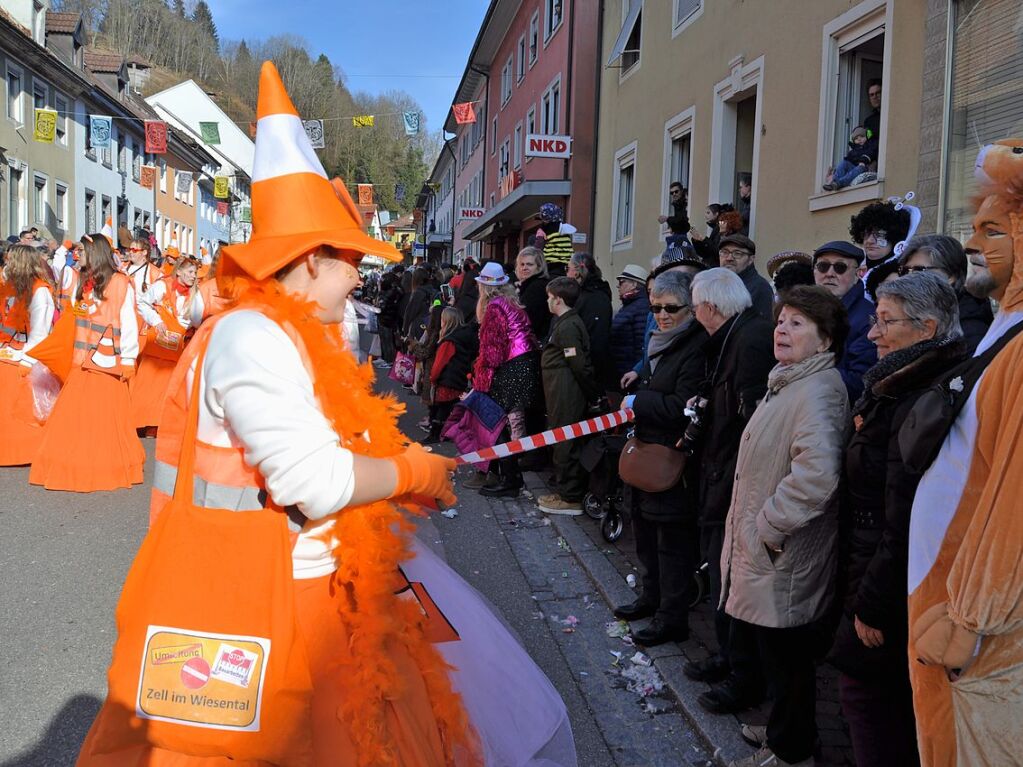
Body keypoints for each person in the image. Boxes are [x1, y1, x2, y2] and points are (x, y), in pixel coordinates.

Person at [77, 61, 576, 767]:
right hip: (261, 605)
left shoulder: (282, 333)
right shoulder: (253, 335)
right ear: (309, 260)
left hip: (294, 590)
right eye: (348, 260)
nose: (357, 276)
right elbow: (311, 480)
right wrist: (413, 469)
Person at [907, 140, 1023, 767]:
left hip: (975, 625)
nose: (974, 244)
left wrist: (974, 614)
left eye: (993, 230)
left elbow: (1017, 497)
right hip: (942, 587)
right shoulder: (1004, 319)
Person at [829, 273, 967, 767]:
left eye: (885, 321)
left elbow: (905, 513)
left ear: (927, 327)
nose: (872, 333)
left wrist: (872, 602)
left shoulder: (920, 394)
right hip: (871, 561)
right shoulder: (899, 381)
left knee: (870, 703)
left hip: (886, 576)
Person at [720, 285, 849, 767]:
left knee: (789, 658)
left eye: (798, 324)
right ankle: (782, 732)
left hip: (785, 554)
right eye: (781, 321)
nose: (782, 330)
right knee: (776, 654)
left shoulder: (818, 391)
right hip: (770, 551)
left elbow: (817, 476)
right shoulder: (791, 381)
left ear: (825, 340)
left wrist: (767, 528)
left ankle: (793, 751)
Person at [682, 268, 775, 707]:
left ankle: (744, 675)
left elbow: (749, 419)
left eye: (694, 306)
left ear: (710, 308)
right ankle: (728, 657)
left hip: (735, 477)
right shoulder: (734, 336)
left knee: (731, 577)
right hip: (721, 470)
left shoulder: (750, 339)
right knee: (721, 572)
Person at [613, 270, 707, 647]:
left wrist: (640, 401)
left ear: (691, 309)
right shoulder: (660, 340)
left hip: (673, 460)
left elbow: (681, 406)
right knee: (645, 535)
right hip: (648, 452)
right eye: (657, 307)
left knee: (671, 546)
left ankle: (672, 618)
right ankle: (649, 598)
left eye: (672, 308)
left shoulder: (695, 346)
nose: (663, 314)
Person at [29, 234, 144, 492]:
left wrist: (128, 358)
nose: (78, 255)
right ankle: (73, 464)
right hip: (81, 363)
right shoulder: (85, 283)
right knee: (77, 420)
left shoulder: (120, 282)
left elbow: (128, 323)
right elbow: (76, 316)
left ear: (96, 253)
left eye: (83, 250)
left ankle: (103, 465)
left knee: (103, 421)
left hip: (107, 363)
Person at [469, 262, 541, 498]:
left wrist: (482, 381)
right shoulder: (512, 303)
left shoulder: (494, 308)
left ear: (484, 287)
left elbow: (492, 351)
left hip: (510, 368)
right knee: (508, 423)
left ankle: (510, 479)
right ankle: (511, 476)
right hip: (524, 364)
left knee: (499, 424)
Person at [535, 277, 602, 515]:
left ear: (558, 300)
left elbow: (578, 364)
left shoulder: (568, 326)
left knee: (565, 441)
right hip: (558, 390)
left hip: (566, 391)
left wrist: (592, 394)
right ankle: (564, 490)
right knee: (560, 439)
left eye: (549, 297)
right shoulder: (563, 322)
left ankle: (570, 497)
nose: (547, 301)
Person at [0, 244, 58, 465]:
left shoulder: (40, 292)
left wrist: (26, 360)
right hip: (10, 351)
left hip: (27, 356)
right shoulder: (14, 287)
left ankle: (25, 451)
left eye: (10, 261)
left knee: (25, 408)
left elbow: (40, 333)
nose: (7, 265)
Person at [130, 257, 203, 432]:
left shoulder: (195, 294)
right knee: (146, 386)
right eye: (190, 272)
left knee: (166, 389)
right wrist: (156, 320)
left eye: (195, 273)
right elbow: (142, 302)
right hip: (156, 346)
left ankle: (156, 426)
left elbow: (196, 320)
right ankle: (137, 422)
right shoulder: (162, 286)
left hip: (175, 349)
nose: (193, 277)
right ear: (179, 272)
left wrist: (187, 326)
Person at [898, 234, 993, 352]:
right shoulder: (910, 315)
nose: (909, 278)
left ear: (951, 276)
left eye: (919, 271)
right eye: (905, 271)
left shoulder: (970, 329)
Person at [812, 240, 876, 402]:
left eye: (840, 267)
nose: (830, 273)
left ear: (859, 274)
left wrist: (805, 373)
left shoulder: (868, 318)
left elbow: (860, 381)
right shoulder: (804, 312)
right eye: (823, 266)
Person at [425, 306, 478, 443]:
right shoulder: (466, 336)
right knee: (453, 409)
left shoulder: (449, 341)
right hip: (460, 378)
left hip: (447, 380)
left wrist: (433, 378)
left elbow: (439, 364)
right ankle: (450, 433)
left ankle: (435, 434)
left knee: (440, 409)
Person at [568, 252, 615, 392]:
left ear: (576, 272)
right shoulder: (588, 293)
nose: (567, 273)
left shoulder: (592, 297)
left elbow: (593, 338)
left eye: (568, 268)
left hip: (590, 368)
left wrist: (571, 358)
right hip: (586, 365)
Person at [717, 234, 773, 320]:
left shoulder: (760, 288)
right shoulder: (715, 283)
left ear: (751, 259)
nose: (729, 258)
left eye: (737, 254)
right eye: (724, 252)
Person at [610, 263, 650, 379]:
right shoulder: (630, 305)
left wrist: (636, 370)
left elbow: (641, 344)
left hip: (630, 372)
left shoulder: (641, 306)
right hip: (624, 370)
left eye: (622, 282)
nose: (618, 286)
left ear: (634, 284)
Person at [849, 199, 911, 271]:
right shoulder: (853, 272)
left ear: (894, 238)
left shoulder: (901, 276)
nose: (869, 240)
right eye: (866, 234)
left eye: (879, 234)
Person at [515, 245, 551, 340]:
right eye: (522, 264)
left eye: (529, 264)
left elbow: (529, 319)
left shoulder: (537, 287)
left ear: (539, 267)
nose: (524, 268)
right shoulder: (527, 285)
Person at [823, 127, 876, 191]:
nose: (859, 139)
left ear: (867, 136)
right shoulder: (853, 151)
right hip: (855, 169)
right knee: (844, 163)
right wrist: (836, 171)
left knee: (860, 167)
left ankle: (838, 183)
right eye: (856, 138)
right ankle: (834, 182)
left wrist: (863, 161)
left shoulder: (871, 145)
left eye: (862, 137)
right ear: (853, 141)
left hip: (866, 168)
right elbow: (848, 161)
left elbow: (871, 153)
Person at [534, 203, 576, 277]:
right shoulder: (564, 229)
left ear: (545, 220)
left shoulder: (544, 231)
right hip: (567, 265)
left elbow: (537, 249)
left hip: (551, 266)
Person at [690, 203, 724, 268]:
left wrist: (704, 240)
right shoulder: (715, 229)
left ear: (716, 214)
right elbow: (703, 253)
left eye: (708, 213)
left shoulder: (719, 230)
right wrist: (697, 241)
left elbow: (716, 251)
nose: (705, 216)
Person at [658, 182, 690, 247]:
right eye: (671, 193)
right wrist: (673, 228)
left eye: (676, 191)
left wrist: (667, 219)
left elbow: (682, 221)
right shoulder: (677, 204)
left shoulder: (684, 203)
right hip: (678, 236)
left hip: (682, 238)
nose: (674, 194)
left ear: (681, 191)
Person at [862, 79, 882, 161]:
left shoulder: (890, 116)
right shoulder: (869, 121)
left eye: (878, 93)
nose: (875, 97)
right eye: (871, 95)